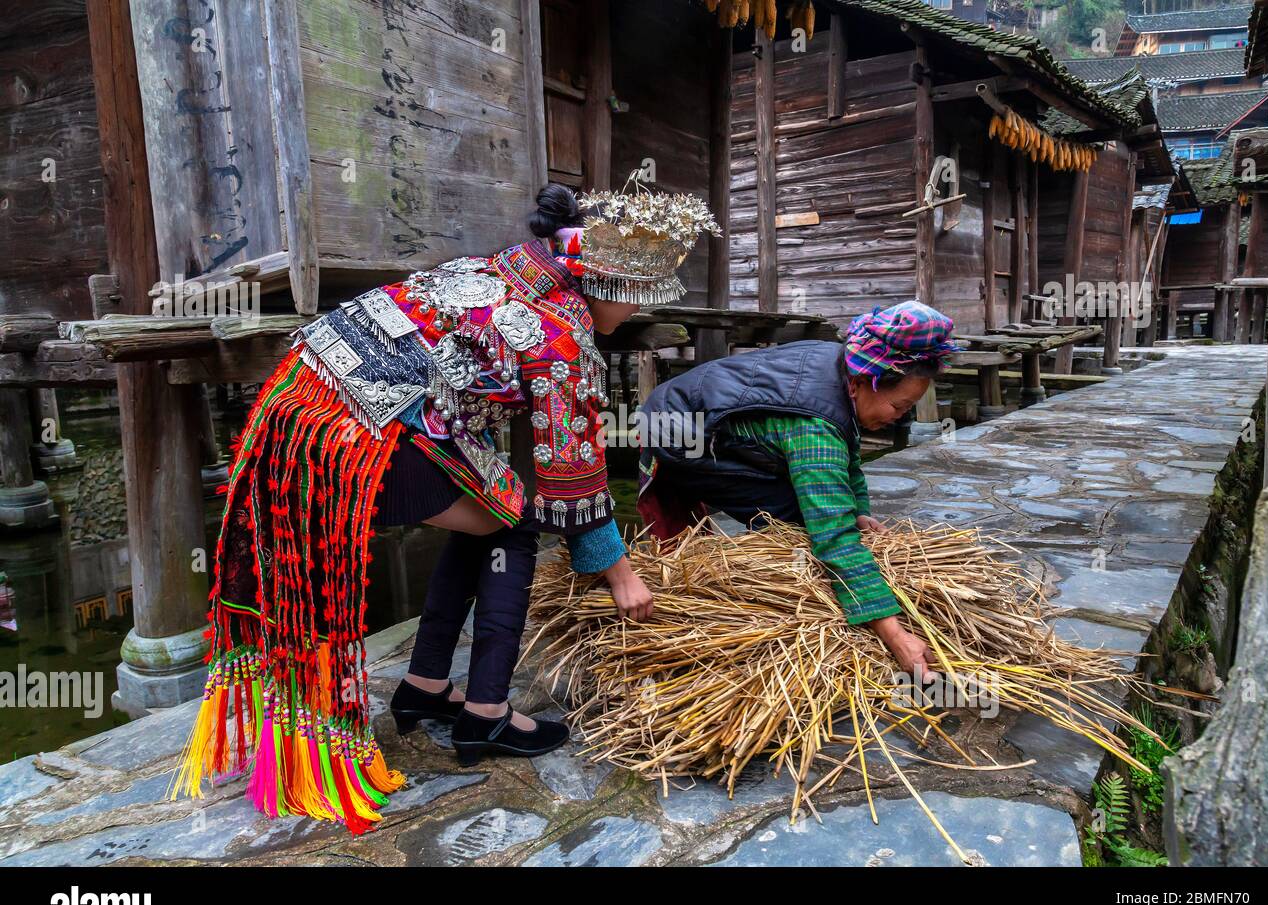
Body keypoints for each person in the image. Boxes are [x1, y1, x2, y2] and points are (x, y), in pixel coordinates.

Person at [172, 182, 717, 832]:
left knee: (496, 504)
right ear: (613, 281)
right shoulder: (562, 332)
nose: (633, 315)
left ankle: (427, 685)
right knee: (515, 521)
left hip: (297, 405)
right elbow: (573, 470)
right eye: (638, 298)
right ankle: (485, 712)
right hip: (352, 433)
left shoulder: (512, 267)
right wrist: (620, 574)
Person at [637, 302, 960, 680]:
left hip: (704, 411)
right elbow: (833, 534)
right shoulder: (814, 427)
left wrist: (858, 511)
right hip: (678, 431)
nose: (900, 416)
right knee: (796, 518)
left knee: (822, 506)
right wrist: (894, 634)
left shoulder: (845, 368)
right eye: (898, 405)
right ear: (859, 385)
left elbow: (848, 448)